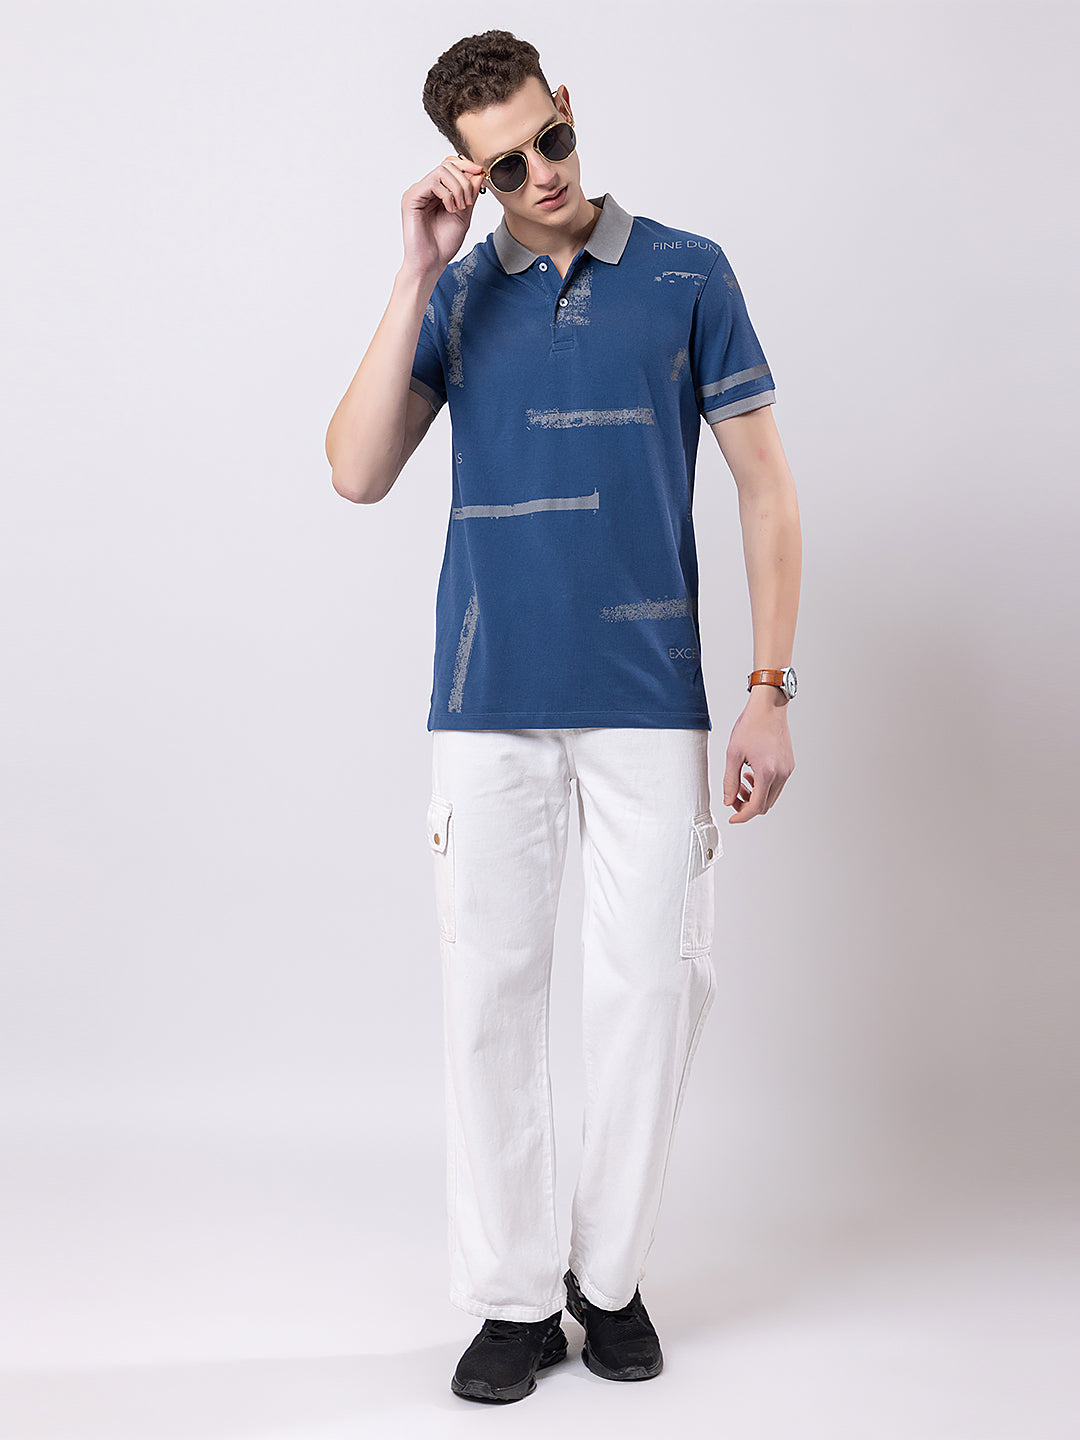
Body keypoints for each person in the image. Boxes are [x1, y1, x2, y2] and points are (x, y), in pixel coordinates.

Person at [325, 29, 801, 1405]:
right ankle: (516, 1300)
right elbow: (355, 470)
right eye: (505, 164)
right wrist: (416, 274)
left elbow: (766, 487)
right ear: (468, 175)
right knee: (490, 993)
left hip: (652, 695)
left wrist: (768, 689)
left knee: (650, 989)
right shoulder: (460, 294)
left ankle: (610, 1280)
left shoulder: (688, 273)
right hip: (487, 700)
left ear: (570, 112)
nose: (542, 173)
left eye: (552, 139)